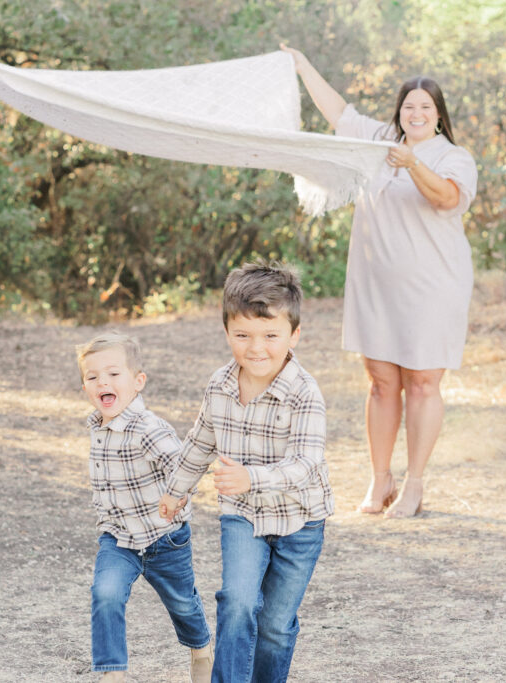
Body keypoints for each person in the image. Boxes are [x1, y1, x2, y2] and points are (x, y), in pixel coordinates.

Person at [280, 44, 479, 519]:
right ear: (399, 112)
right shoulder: (378, 140)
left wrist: (413, 165)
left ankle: (413, 484)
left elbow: (448, 200)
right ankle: (380, 478)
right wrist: (303, 64)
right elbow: (337, 111)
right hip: (376, 283)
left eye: (424, 107)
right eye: (408, 106)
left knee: (424, 382)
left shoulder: (455, 157)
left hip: (434, 286)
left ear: (438, 115)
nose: (415, 113)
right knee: (381, 382)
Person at [159, 261, 333, 683]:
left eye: (270, 336)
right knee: (237, 602)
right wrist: (176, 490)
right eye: (243, 336)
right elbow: (200, 442)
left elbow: (306, 465)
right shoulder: (220, 385)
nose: (256, 348)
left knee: (274, 624)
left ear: (294, 336)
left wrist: (252, 478)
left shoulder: (304, 393)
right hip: (242, 516)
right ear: (227, 334)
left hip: (300, 523)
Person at [77, 332, 214, 683]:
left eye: (112, 374)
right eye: (92, 377)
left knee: (183, 604)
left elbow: (182, 466)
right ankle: (113, 673)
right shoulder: (97, 427)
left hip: (164, 539)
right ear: (85, 387)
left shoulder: (148, 428)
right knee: (105, 593)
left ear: (138, 382)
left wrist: (178, 494)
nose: (102, 382)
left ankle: (201, 651)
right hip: (118, 539)